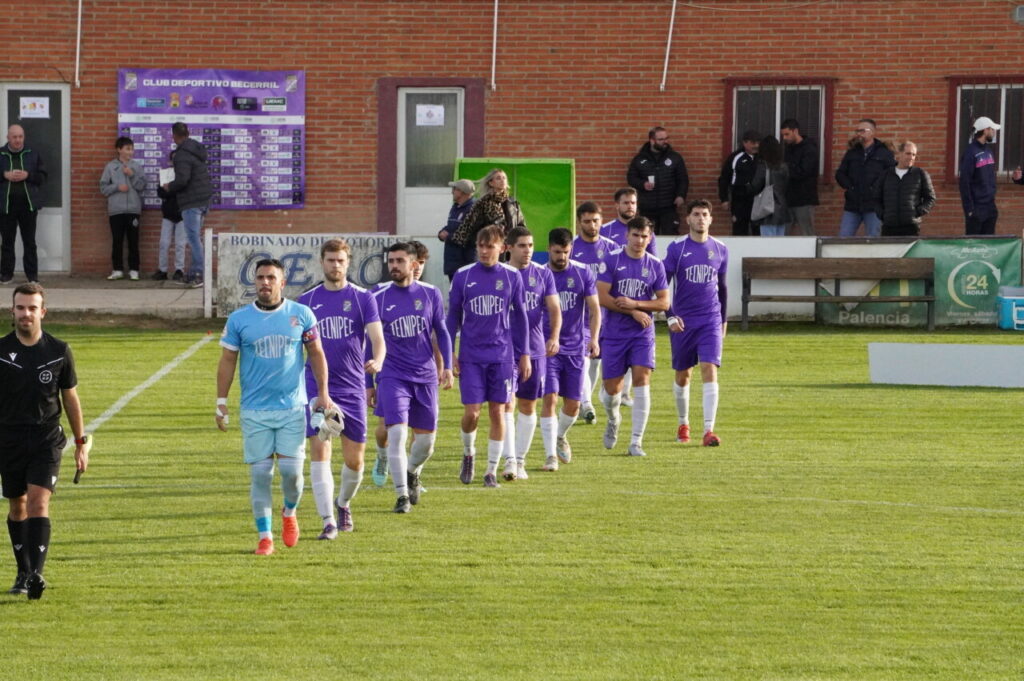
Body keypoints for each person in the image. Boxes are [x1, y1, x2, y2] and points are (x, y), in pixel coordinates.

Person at [215, 259, 335, 555]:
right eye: (260, 278)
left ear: (282, 283)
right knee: (261, 475)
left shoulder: (301, 314)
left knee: (292, 476)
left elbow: (316, 353)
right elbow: (228, 360)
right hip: (254, 411)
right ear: (254, 282)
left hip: (293, 408)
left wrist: (323, 394)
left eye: (271, 278)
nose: (264, 283)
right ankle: (265, 536)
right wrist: (221, 401)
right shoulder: (239, 319)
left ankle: (289, 512)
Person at [1, 283, 89, 599]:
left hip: (46, 440)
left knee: (39, 501)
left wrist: (80, 442)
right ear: (12, 311)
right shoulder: (1, 351)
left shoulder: (58, 351)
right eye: (21, 307)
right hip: (9, 440)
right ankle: (23, 572)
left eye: (32, 308)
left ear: (43, 312)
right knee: (17, 506)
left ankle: (36, 574)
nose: (26, 313)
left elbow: (71, 399)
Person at [296, 240, 385, 538]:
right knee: (321, 449)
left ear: (349, 263)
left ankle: (343, 502)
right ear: (322, 262)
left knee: (355, 461)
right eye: (331, 260)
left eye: (341, 260)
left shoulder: (362, 298)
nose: (336, 265)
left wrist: (379, 360)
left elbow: (377, 338)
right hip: (318, 387)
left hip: (353, 388)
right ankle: (328, 521)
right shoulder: (306, 301)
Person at [370, 242, 453, 512]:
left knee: (426, 443)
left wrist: (448, 367)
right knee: (397, 435)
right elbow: (366, 340)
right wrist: (367, 383)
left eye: (399, 261)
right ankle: (402, 496)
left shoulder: (430, 294)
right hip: (392, 374)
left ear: (414, 264)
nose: (393, 266)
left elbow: (441, 331)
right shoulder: (378, 296)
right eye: (390, 261)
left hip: (425, 375)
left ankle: (412, 471)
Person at [446, 225, 529, 488]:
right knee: (472, 414)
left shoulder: (512, 276)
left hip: (502, 356)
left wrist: (524, 352)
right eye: (480, 246)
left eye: (489, 246)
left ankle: (491, 471)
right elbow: (452, 318)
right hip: (471, 356)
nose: (483, 250)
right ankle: (469, 453)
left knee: (498, 411)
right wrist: (450, 355)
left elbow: (520, 317)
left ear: (502, 248)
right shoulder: (462, 276)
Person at [596, 216, 669, 457]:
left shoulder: (655, 265)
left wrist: (637, 305)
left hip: (642, 334)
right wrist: (633, 312)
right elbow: (603, 297)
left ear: (650, 238)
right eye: (635, 235)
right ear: (627, 235)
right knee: (612, 390)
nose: (639, 240)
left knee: (641, 379)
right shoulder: (612, 259)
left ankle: (636, 442)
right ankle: (613, 418)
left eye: (644, 236)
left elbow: (664, 302)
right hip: (615, 333)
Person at [663, 200, 728, 447]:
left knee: (709, 368)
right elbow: (662, 285)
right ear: (688, 219)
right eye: (696, 214)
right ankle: (683, 422)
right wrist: (669, 314)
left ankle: (709, 430)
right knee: (683, 375)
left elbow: (722, 287)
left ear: (711, 219)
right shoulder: (677, 248)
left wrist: (723, 320)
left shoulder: (720, 249)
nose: (701, 218)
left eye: (705, 215)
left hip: (710, 319)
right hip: (683, 321)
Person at [501, 226, 560, 481]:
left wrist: (554, 337)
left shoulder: (543, 275)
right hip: (503, 350)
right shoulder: (499, 274)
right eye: (522, 245)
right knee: (506, 404)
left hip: (535, 350)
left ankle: (521, 459)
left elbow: (555, 308)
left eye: (531, 245)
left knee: (528, 405)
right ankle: (509, 460)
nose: (528, 251)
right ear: (509, 247)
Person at [539, 228, 600, 472]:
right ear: (549, 249)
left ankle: (560, 434)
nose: (561, 257)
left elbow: (595, 309)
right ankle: (550, 456)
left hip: (576, 348)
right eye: (557, 252)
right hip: (548, 348)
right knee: (550, 398)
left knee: (573, 405)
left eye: (565, 252)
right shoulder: (540, 275)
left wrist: (593, 339)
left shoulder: (583, 272)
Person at [571, 201, 619, 426]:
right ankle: (586, 402)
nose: (592, 225)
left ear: (602, 220)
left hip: (605, 315)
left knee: (595, 361)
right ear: (579, 222)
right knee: (583, 359)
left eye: (596, 220)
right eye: (587, 221)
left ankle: (585, 399)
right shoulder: (571, 248)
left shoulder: (611, 249)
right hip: (578, 315)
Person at [162, 122, 212, 287]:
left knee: (193, 239)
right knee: (196, 238)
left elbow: (182, 180)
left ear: (174, 136)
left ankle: (198, 275)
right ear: (188, 133)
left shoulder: (182, 154)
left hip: (191, 201)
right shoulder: (196, 150)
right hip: (203, 200)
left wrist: (170, 186)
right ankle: (193, 274)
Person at [0, 125, 47, 285]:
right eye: (14, 137)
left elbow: (42, 177)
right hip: (6, 205)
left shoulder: (33, 154)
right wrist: (4, 175)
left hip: (28, 205)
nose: (18, 140)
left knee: (29, 242)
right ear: (8, 138)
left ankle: (32, 277)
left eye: (20, 136)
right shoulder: (0, 154)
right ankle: (6, 275)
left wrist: (28, 175)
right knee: (7, 242)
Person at [835, 119, 896, 237]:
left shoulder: (884, 153)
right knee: (843, 237)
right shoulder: (852, 152)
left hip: (874, 206)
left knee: (874, 239)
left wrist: (878, 190)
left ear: (873, 132)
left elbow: (892, 176)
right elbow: (840, 174)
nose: (859, 134)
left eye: (862, 131)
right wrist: (850, 187)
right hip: (853, 204)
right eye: (857, 131)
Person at [100, 136, 147, 281]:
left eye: (132, 149)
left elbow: (142, 186)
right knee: (117, 240)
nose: (130, 152)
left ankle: (134, 269)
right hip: (116, 210)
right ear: (119, 149)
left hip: (133, 209)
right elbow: (103, 188)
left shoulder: (136, 166)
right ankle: (117, 269)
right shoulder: (110, 167)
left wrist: (132, 176)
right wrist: (117, 187)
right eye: (127, 149)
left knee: (133, 241)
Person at [627, 127, 689, 236]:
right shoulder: (640, 158)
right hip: (647, 207)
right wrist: (643, 184)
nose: (665, 142)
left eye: (666, 138)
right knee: (646, 237)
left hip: (669, 206)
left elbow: (683, 179)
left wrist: (681, 195)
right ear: (652, 141)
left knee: (670, 237)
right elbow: (631, 178)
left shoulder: (675, 157)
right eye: (661, 139)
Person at [447, 168, 526, 249]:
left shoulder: (512, 203)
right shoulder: (483, 203)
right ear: (491, 183)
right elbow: (469, 227)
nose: (502, 180)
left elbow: (521, 226)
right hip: (490, 248)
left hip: (510, 249)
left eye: (504, 178)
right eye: (498, 178)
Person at [874, 141, 937, 237]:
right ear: (899, 153)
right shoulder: (886, 174)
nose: (911, 157)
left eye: (914, 155)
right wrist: (883, 215)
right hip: (889, 226)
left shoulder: (920, 174)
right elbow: (876, 198)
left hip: (911, 227)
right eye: (908, 153)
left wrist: (917, 212)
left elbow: (930, 198)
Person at [959, 116, 1001, 235]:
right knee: (974, 245)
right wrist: (969, 209)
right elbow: (964, 182)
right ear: (986, 130)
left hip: (990, 206)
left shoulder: (988, 151)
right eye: (992, 129)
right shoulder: (970, 152)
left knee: (988, 245)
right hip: (976, 208)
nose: (994, 132)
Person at [717, 130, 760, 236]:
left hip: (758, 200)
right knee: (740, 230)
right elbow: (724, 178)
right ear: (745, 143)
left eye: (758, 143)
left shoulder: (762, 157)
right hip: (740, 200)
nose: (756, 145)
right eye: (753, 143)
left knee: (758, 230)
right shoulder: (735, 157)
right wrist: (724, 199)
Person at [780, 118, 819, 236]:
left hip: (804, 197)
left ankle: (811, 255)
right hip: (788, 197)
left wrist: (786, 169)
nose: (784, 138)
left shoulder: (809, 148)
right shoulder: (789, 148)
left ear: (795, 131)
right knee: (783, 233)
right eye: (783, 135)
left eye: (787, 134)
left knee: (806, 232)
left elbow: (804, 171)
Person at [153, 150, 186, 281]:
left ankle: (179, 270)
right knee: (164, 243)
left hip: (182, 214)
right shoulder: (165, 174)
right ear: (171, 161)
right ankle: (162, 270)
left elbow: (185, 193)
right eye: (173, 160)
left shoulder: (185, 174)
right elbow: (160, 193)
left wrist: (170, 189)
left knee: (180, 244)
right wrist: (168, 189)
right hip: (168, 214)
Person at [748, 136, 791, 237]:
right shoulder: (784, 167)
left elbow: (755, 186)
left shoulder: (763, 166)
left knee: (767, 245)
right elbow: (787, 185)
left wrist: (747, 188)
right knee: (780, 242)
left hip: (767, 210)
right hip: (782, 208)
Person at [437, 178, 477, 281]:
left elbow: (470, 234)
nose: (452, 192)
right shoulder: (455, 207)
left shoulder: (474, 208)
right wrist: (441, 232)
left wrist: (448, 236)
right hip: (453, 264)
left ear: (461, 191)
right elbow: (451, 226)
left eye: (454, 189)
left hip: (465, 263)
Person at [601, 188, 657, 255]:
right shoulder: (604, 230)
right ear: (617, 205)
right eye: (626, 203)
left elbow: (652, 260)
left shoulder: (646, 229)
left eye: (633, 203)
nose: (630, 206)